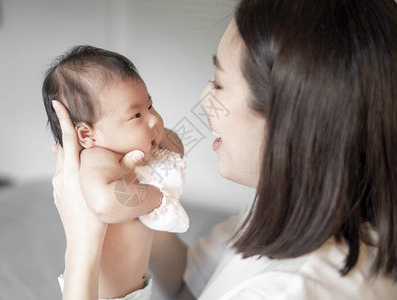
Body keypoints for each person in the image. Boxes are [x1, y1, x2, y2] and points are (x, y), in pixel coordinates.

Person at [50, 0, 397, 299]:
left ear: (291, 119)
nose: (204, 100)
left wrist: (82, 246)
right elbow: (188, 283)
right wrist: (143, 198)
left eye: (219, 83)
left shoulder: (287, 291)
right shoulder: (288, 208)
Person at [42, 45, 189, 299]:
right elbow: (103, 202)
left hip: (139, 289)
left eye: (151, 106)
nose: (153, 119)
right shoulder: (96, 159)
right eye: (136, 115)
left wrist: (152, 134)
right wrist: (155, 198)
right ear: (87, 135)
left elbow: (177, 146)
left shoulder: (130, 151)